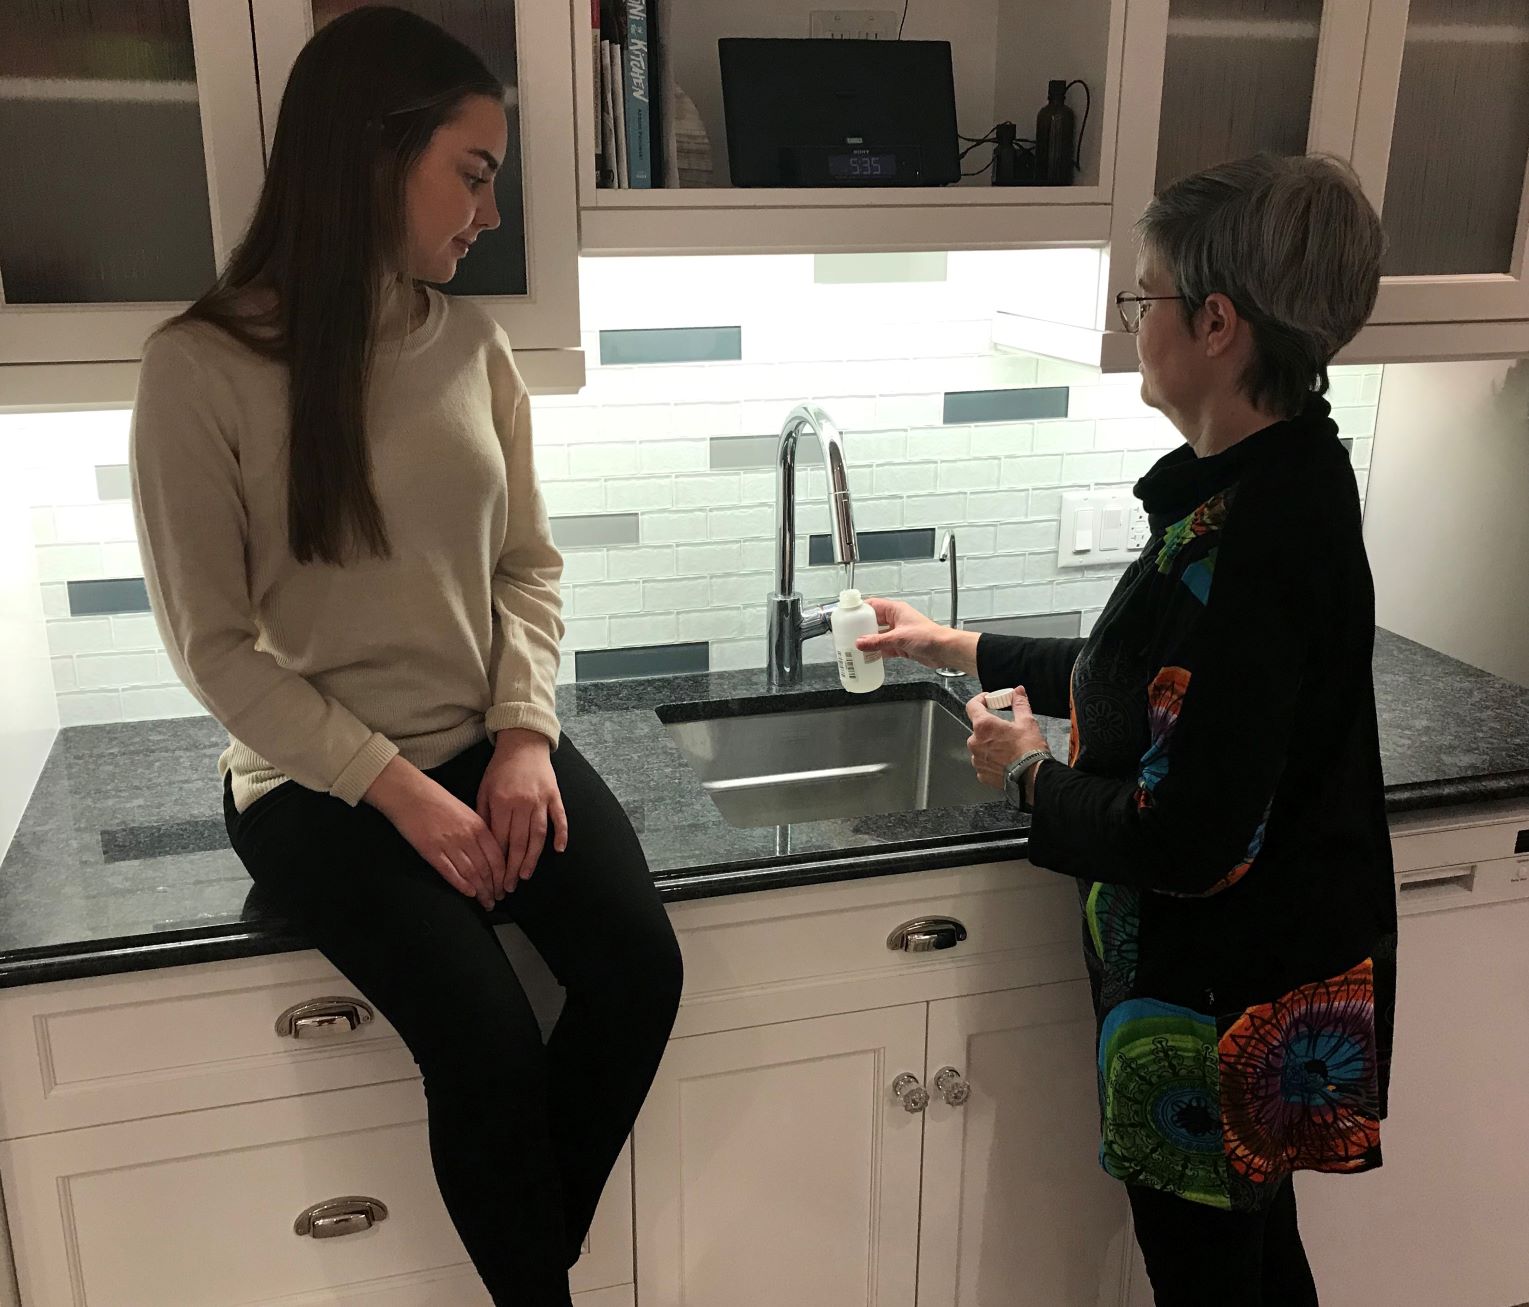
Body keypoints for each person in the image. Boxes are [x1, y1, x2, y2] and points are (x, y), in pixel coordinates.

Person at [128, 9, 681, 1304]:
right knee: (486, 1043)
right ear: (376, 154)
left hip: (486, 738)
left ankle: (530, 1263)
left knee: (638, 970)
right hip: (314, 784)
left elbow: (525, 566)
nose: (489, 214)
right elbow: (213, 649)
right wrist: (401, 786)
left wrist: (528, 734)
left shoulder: (471, 345)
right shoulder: (196, 368)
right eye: (473, 172)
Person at [858, 153, 1395, 1307]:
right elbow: (1151, 680)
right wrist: (955, 647)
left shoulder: (1251, 537)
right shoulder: (1267, 479)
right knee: (1254, 1264)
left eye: (1141, 295)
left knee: (1210, 1279)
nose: (1133, 317)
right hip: (1249, 978)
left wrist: (1027, 777)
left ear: (1214, 323)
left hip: (1216, 1003)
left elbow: (1187, 835)